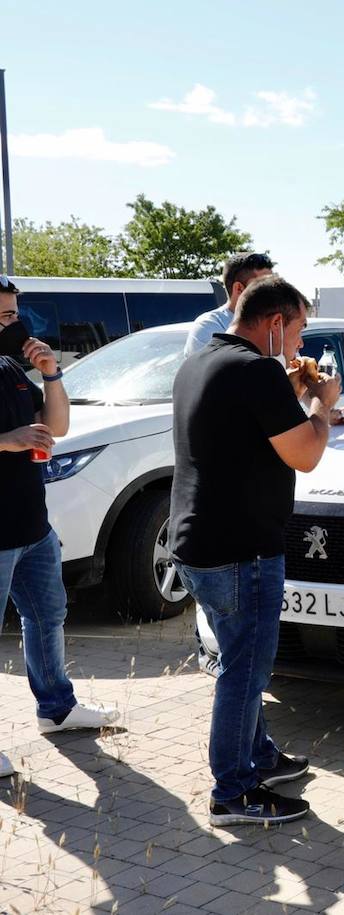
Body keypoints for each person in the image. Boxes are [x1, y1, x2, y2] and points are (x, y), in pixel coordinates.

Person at [170, 274, 341, 827]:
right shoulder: (257, 370)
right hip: (241, 550)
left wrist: (289, 392)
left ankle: (260, 757)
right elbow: (306, 454)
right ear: (273, 324)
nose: (298, 346)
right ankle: (233, 792)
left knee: (238, 659)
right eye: (297, 332)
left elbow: (246, 428)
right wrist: (321, 405)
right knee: (245, 672)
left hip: (197, 543)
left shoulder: (204, 361)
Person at [0, 275, 120, 780]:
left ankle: (56, 708)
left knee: (47, 617)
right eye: (5, 316)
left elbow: (59, 426)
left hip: (32, 526)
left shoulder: (8, 367)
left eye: (13, 315)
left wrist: (51, 374)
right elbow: (20, 436)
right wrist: (8, 439)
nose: (14, 326)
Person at [183, 252, 275, 356]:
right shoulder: (208, 327)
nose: (273, 293)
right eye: (263, 287)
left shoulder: (276, 324)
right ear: (239, 288)